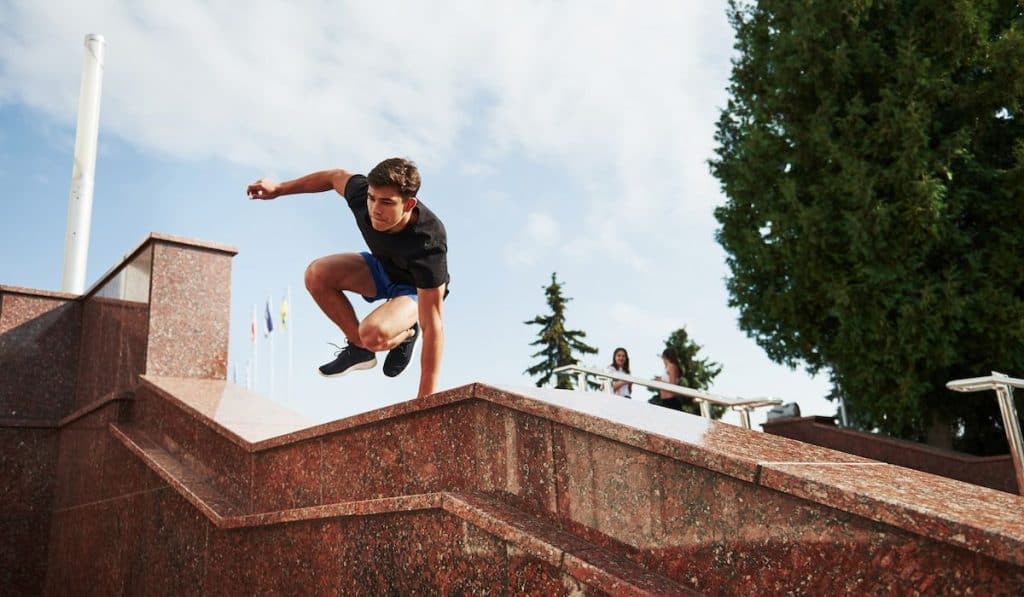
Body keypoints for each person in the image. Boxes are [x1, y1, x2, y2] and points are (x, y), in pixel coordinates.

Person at [246, 157, 448, 399]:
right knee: (316, 274)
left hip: (415, 290)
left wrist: (426, 402)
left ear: (408, 204)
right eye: (372, 198)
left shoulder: (428, 241)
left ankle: (406, 331)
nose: (375, 209)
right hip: (382, 270)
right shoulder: (361, 194)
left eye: (386, 202)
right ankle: (360, 349)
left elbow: (434, 325)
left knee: (372, 333)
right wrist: (279, 189)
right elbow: (333, 176)